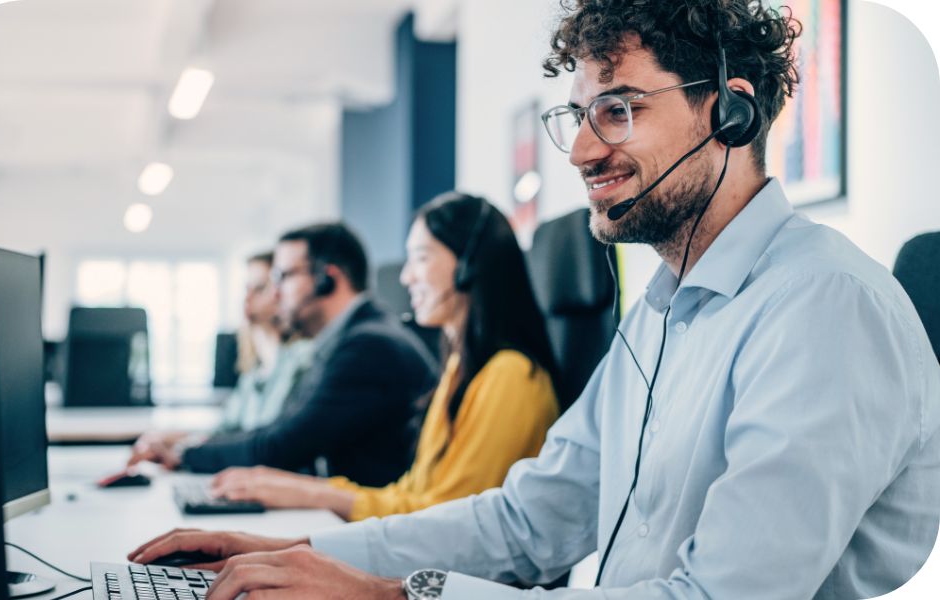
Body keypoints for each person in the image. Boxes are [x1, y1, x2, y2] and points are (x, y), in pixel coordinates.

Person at [128, 1, 940, 598]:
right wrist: (297, 551)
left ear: (728, 112)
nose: (584, 150)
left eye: (618, 110)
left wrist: (387, 596)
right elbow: (527, 523)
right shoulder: (658, 316)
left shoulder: (825, 309)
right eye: (579, 116)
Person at [206, 192, 562, 520]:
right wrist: (310, 491)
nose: (406, 277)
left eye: (420, 257)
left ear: (469, 264)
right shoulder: (460, 369)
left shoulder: (511, 376)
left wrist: (316, 495)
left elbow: (448, 517)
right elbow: (413, 492)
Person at [143, 223, 438, 487]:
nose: (275, 294)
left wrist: (184, 454)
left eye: (283, 277)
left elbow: (280, 447)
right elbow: (277, 430)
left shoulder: (368, 347)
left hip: (374, 525)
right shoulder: (346, 340)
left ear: (327, 278)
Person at [127, 251, 314, 469]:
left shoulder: (303, 358)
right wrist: (171, 440)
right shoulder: (255, 371)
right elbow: (225, 431)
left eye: (259, 288)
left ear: (281, 292)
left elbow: (267, 443)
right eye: (246, 289)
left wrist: (184, 452)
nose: (247, 298)